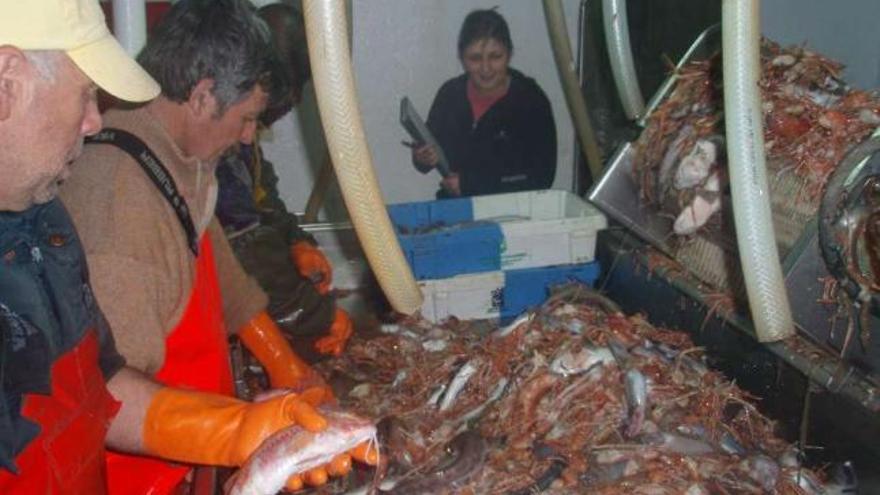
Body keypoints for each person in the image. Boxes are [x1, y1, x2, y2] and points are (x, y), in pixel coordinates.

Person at [0, 0, 372, 493]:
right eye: (86, 94)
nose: (93, 121)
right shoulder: (112, 200)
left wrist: (238, 429)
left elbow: (100, 387)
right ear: (7, 81)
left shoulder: (42, 220)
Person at [215, 2, 353, 359]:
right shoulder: (217, 138)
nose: (294, 101)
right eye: (291, 90)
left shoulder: (245, 138)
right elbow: (244, 242)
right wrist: (321, 317)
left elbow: (261, 203)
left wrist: (297, 242)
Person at [412, 8, 557, 198]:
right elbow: (426, 157)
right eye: (475, 58)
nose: (486, 69)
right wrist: (421, 157)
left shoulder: (531, 101)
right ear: (461, 57)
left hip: (513, 212)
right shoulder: (450, 94)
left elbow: (541, 177)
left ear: (509, 54)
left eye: (495, 57)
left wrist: (471, 185)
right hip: (457, 204)